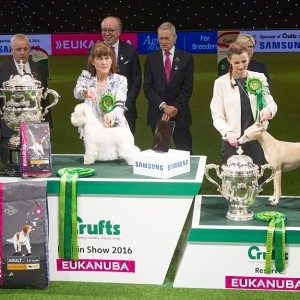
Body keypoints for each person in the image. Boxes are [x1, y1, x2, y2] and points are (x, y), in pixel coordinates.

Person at [210, 42, 277, 169]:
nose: (241, 66)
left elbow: (271, 103)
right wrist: (227, 132)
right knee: (231, 184)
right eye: (236, 63)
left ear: (249, 58)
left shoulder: (260, 78)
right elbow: (217, 114)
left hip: (256, 141)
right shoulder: (220, 83)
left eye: (244, 61)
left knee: (256, 183)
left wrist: (268, 110)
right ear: (229, 60)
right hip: (231, 141)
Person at [0, 33, 53, 166]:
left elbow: (44, 99)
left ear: (29, 49)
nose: (22, 53)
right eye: (18, 49)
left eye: (25, 49)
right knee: (10, 167)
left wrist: (48, 125)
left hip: (36, 128)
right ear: (11, 50)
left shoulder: (39, 69)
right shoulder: (1, 70)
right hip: (9, 127)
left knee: (36, 166)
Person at [143, 22, 194, 154]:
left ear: (175, 37)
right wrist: (164, 106)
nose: (164, 42)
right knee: (161, 153)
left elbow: (187, 88)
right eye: (161, 38)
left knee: (186, 153)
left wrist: (174, 107)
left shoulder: (186, 58)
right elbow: (148, 87)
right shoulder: (151, 58)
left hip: (180, 114)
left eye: (167, 38)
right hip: (158, 114)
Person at [98, 16, 142, 134]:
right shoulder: (93, 51)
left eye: (111, 30)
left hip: (126, 111)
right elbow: (90, 80)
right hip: (101, 112)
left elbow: (136, 81)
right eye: (104, 30)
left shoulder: (131, 51)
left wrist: (124, 106)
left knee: (125, 150)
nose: (107, 33)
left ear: (119, 32)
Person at [74, 41, 128, 130]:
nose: (104, 62)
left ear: (112, 61)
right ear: (92, 61)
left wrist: (112, 114)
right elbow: (77, 92)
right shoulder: (85, 76)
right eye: (99, 58)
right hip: (91, 128)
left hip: (114, 127)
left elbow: (120, 104)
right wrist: (85, 93)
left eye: (107, 58)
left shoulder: (120, 80)